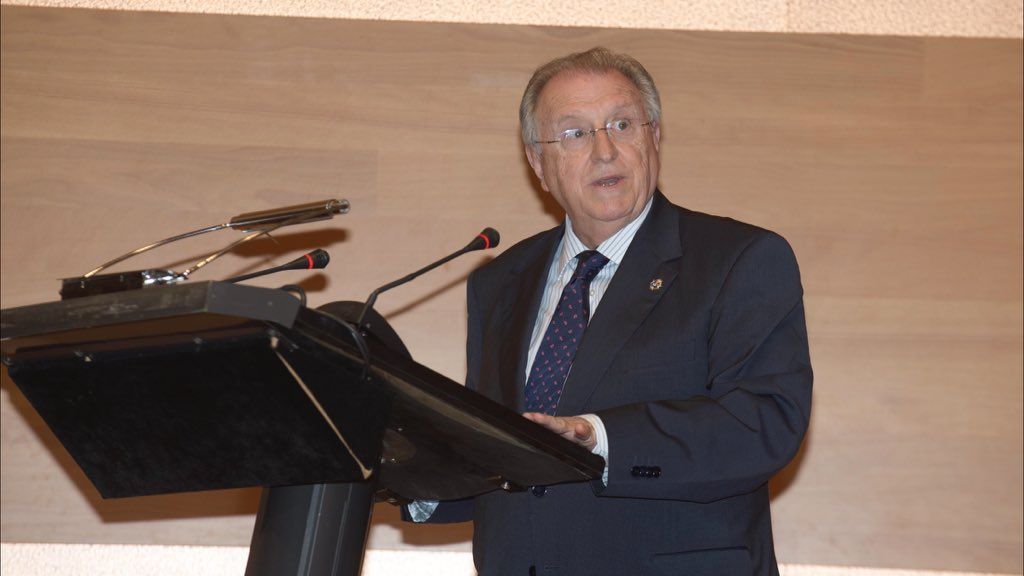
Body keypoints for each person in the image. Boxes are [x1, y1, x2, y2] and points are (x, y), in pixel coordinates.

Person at [412, 47, 812, 576]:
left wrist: (600, 437)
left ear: (654, 136)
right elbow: (507, 447)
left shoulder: (738, 259)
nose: (605, 150)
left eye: (622, 124)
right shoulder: (498, 280)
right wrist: (410, 471)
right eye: (575, 133)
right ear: (538, 162)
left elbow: (762, 423)